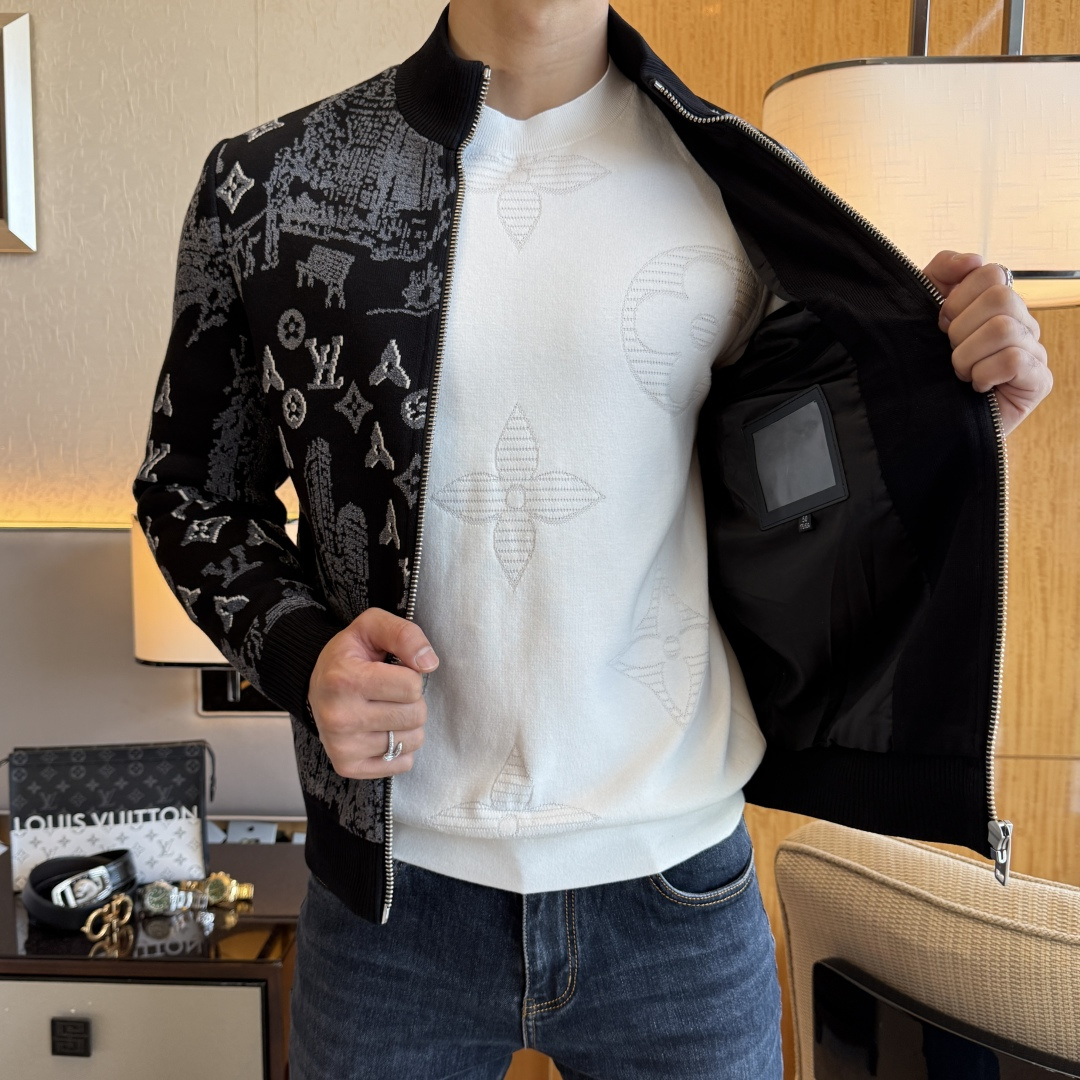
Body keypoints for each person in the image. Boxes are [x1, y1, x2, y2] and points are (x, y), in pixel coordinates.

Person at [134, 2, 1052, 1077]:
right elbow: (190, 492)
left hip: (677, 902)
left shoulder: (746, 189)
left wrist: (955, 422)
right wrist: (302, 653)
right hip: (388, 904)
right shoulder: (269, 184)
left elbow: (798, 481)